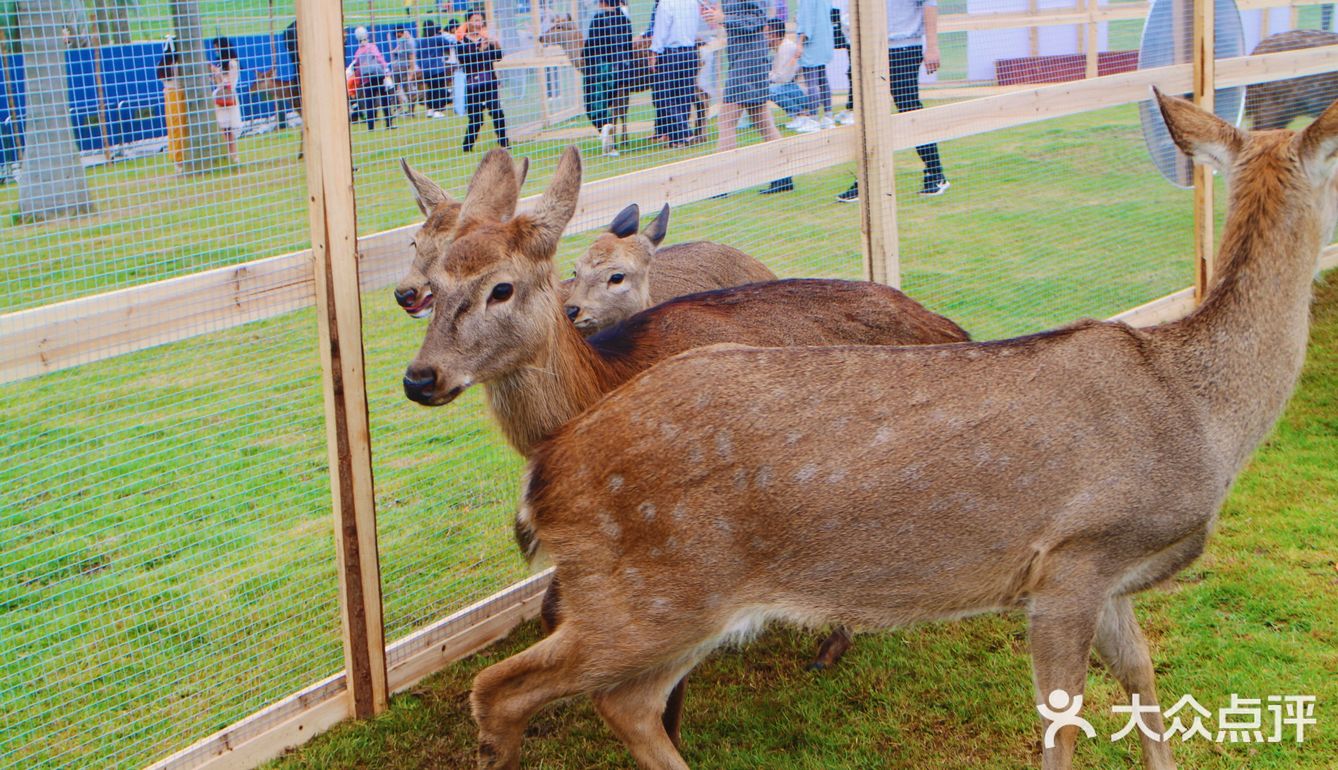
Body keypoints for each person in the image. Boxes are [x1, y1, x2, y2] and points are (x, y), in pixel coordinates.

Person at [837, 0, 947, 201]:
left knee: (909, 109)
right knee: (867, 115)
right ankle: (866, 180)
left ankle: (935, 173)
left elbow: (929, 4)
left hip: (902, 48)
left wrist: (932, 47)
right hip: (866, 49)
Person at [703, 0, 792, 194]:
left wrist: (724, 18)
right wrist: (719, 14)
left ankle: (721, 184)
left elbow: (758, 19)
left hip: (748, 60)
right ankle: (784, 176)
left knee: (726, 120)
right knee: (762, 120)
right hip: (743, 58)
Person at [583, 0, 634, 156]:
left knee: (595, 104)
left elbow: (589, 48)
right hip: (618, 70)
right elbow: (628, 46)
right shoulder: (624, 19)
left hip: (600, 67)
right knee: (611, 103)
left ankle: (605, 132)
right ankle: (609, 135)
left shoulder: (598, 20)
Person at [650, 0, 702, 147]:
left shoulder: (665, 4)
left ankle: (684, 132)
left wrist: (654, 52)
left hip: (671, 54)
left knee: (662, 96)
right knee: (683, 96)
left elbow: (660, 31)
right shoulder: (692, 2)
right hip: (690, 51)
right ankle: (678, 139)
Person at [458, 11, 509, 152]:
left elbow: (497, 57)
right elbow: (465, 62)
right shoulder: (462, 41)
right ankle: (467, 146)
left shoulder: (486, 39)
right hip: (473, 85)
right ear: (468, 22)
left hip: (489, 82)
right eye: (475, 20)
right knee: (476, 118)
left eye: (480, 20)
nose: (478, 23)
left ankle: (504, 142)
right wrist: (480, 50)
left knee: (497, 112)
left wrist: (496, 44)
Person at [791, 0, 835, 132]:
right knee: (822, 80)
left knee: (812, 82)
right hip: (824, 41)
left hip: (812, 43)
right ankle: (828, 116)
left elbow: (806, 20)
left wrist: (799, 43)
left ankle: (814, 118)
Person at [348, 26, 395, 130]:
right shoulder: (372, 47)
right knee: (384, 99)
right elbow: (379, 57)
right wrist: (386, 69)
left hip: (367, 79)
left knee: (370, 102)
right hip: (378, 75)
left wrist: (360, 80)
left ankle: (371, 126)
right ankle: (389, 123)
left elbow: (358, 68)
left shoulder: (357, 53)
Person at [764, 19, 805, 120]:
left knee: (769, 90)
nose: (764, 38)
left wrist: (764, 77)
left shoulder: (786, 48)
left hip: (799, 90)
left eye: (766, 34)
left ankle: (800, 115)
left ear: (774, 35)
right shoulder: (777, 48)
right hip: (791, 87)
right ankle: (797, 115)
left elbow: (783, 78)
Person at [209, 36, 242, 163]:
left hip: (228, 96)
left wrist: (217, 73)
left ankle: (233, 155)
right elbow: (216, 82)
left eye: (217, 48)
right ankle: (227, 155)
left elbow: (230, 83)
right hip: (218, 97)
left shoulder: (232, 63)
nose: (216, 50)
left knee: (229, 129)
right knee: (223, 128)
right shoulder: (220, 63)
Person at [156, 34, 186, 168]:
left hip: (169, 96)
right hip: (178, 95)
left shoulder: (161, 65)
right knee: (180, 127)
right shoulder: (178, 65)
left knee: (174, 128)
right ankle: (180, 158)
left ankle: (177, 158)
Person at [419, 20, 450, 118]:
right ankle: (438, 109)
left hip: (426, 69)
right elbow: (449, 44)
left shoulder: (421, 41)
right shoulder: (438, 38)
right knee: (439, 88)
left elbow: (418, 55)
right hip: (437, 67)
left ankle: (430, 109)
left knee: (430, 89)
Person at [391, 27, 419, 116]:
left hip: (405, 68)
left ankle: (411, 110)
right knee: (392, 88)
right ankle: (399, 108)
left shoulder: (409, 41)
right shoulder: (401, 40)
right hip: (397, 68)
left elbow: (412, 56)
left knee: (408, 89)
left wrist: (411, 70)